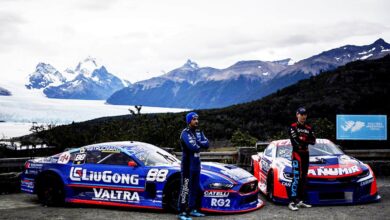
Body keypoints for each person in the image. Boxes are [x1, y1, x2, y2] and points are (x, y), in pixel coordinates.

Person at [178, 112, 209, 220]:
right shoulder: (184, 133)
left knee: (196, 189)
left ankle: (192, 209)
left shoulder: (199, 131)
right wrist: (200, 143)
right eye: (194, 119)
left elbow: (207, 144)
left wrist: (198, 142)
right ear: (189, 121)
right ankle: (182, 212)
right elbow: (193, 147)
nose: (196, 121)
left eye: (197, 119)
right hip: (187, 165)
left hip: (196, 165)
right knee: (185, 189)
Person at [288, 107, 316, 211]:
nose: (303, 116)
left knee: (304, 178)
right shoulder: (293, 127)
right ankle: (292, 202)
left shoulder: (309, 128)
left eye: (305, 114)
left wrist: (302, 139)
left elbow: (313, 141)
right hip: (296, 155)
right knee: (296, 177)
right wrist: (305, 140)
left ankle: (301, 200)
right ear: (297, 115)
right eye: (301, 114)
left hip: (306, 154)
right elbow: (295, 142)